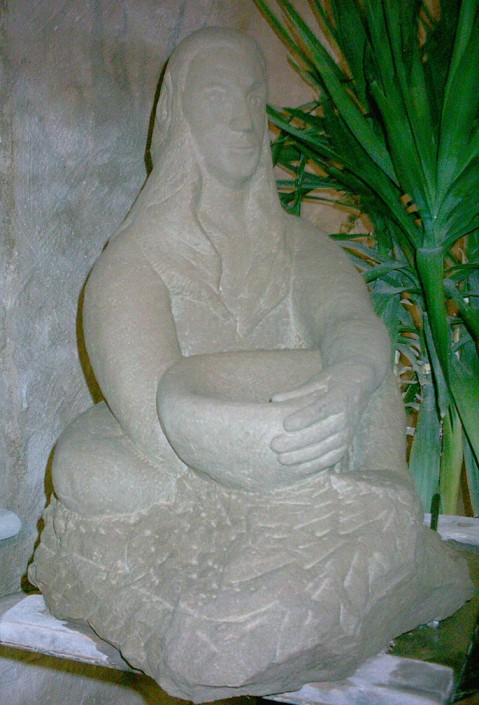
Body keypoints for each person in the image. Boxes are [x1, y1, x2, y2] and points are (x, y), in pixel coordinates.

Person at [30, 28, 472, 702]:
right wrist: (259, 460)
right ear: (180, 118)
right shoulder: (132, 264)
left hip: (312, 426)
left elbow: (351, 323)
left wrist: (346, 384)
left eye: (251, 96)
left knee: (368, 368)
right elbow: (155, 417)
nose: (241, 118)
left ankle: (359, 519)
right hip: (197, 444)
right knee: (88, 468)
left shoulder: (299, 246)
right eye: (217, 97)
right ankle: (307, 535)